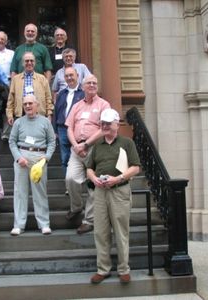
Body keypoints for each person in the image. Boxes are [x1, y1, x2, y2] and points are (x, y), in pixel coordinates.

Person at [87, 108, 141, 284]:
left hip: (119, 191)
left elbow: (135, 167)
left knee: (121, 231)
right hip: (101, 192)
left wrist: (117, 179)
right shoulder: (97, 146)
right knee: (100, 232)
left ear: (116, 124)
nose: (105, 126)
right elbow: (89, 168)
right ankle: (103, 269)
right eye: (102, 123)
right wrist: (94, 179)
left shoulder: (126, 143)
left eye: (108, 123)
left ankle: (124, 269)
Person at [65, 74, 110, 234]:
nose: (92, 85)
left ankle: (88, 220)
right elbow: (69, 127)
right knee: (71, 178)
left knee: (92, 185)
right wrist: (76, 145)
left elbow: (104, 128)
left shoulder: (104, 105)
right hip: (76, 149)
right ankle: (76, 207)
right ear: (82, 87)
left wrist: (86, 144)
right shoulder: (77, 106)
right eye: (89, 83)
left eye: (94, 83)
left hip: (95, 149)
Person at [9, 94, 56, 236]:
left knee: (40, 193)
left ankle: (44, 224)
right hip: (22, 158)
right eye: (25, 104)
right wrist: (18, 158)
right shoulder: (18, 122)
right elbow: (11, 141)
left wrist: (46, 158)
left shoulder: (45, 122)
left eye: (30, 103)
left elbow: (52, 142)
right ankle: (19, 224)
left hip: (39, 160)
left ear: (37, 105)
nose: (28, 106)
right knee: (20, 193)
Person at [7, 52, 53, 126]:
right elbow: (11, 99)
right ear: (22, 63)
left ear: (35, 63)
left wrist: (49, 114)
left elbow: (48, 98)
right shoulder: (15, 79)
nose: (29, 63)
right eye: (26, 61)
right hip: (21, 115)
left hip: (39, 116)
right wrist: (9, 115)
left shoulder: (42, 79)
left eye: (31, 61)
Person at [53, 66, 84, 176]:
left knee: (80, 155)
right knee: (65, 157)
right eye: (67, 76)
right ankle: (68, 184)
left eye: (71, 75)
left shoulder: (83, 93)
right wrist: (55, 130)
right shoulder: (61, 93)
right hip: (62, 129)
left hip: (78, 128)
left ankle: (79, 181)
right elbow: (56, 111)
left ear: (77, 76)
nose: (69, 78)